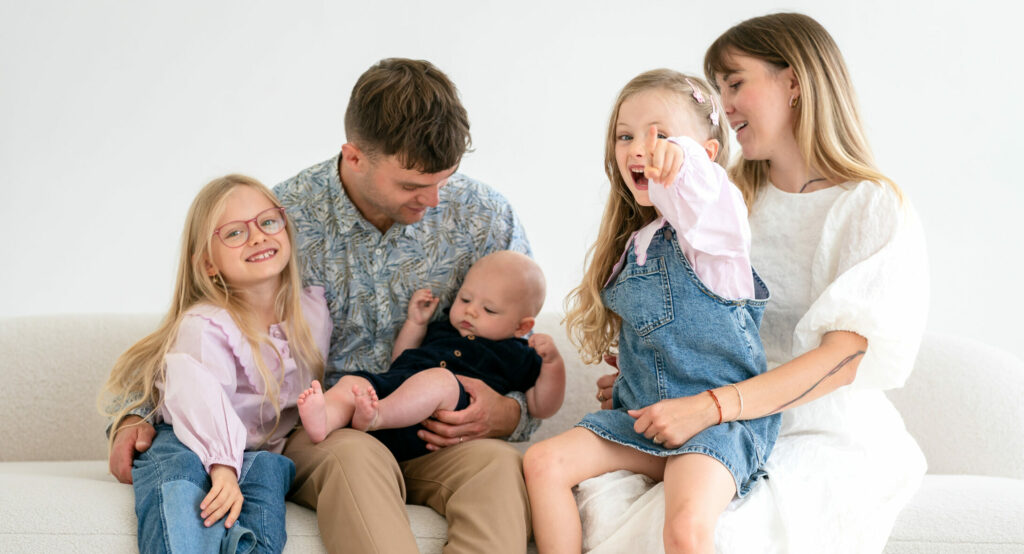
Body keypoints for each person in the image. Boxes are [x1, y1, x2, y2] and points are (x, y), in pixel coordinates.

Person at [104, 58, 538, 553]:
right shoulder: (280, 221)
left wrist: (508, 412)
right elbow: (199, 332)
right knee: (355, 459)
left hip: (434, 432)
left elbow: (521, 348)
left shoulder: (485, 218)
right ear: (354, 157)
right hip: (326, 430)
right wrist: (132, 416)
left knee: (498, 468)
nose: (436, 199)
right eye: (414, 186)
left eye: (447, 178)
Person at [577, 13, 929, 554]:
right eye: (717, 90)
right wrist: (652, 375)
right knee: (600, 502)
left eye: (735, 83)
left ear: (794, 82)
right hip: (705, 416)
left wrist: (712, 405)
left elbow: (844, 358)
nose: (723, 106)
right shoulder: (716, 203)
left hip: (816, 428)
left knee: (725, 531)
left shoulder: (871, 205)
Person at [524, 69, 778, 553]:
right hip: (643, 421)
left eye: (660, 135)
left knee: (684, 529)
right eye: (626, 136)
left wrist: (679, 161)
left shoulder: (715, 234)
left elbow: (702, 190)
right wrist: (629, 377)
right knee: (542, 463)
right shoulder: (635, 245)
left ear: (705, 153)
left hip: (716, 427)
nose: (639, 148)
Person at [99, 175, 332, 553]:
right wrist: (222, 467)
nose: (257, 237)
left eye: (268, 222)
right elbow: (198, 397)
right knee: (184, 503)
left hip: (255, 453)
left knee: (266, 508)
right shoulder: (205, 326)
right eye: (235, 233)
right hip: (188, 439)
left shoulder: (312, 314)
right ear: (208, 263)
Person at [297, 250, 565, 462]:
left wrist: (553, 364)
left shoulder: (518, 354)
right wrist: (416, 324)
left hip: (437, 422)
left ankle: (376, 417)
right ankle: (325, 420)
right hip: (397, 391)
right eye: (465, 299)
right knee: (353, 384)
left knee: (442, 380)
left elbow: (542, 407)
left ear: (522, 327)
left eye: (489, 310)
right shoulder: (442, 330)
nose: (470, 311)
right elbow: (402, 359)